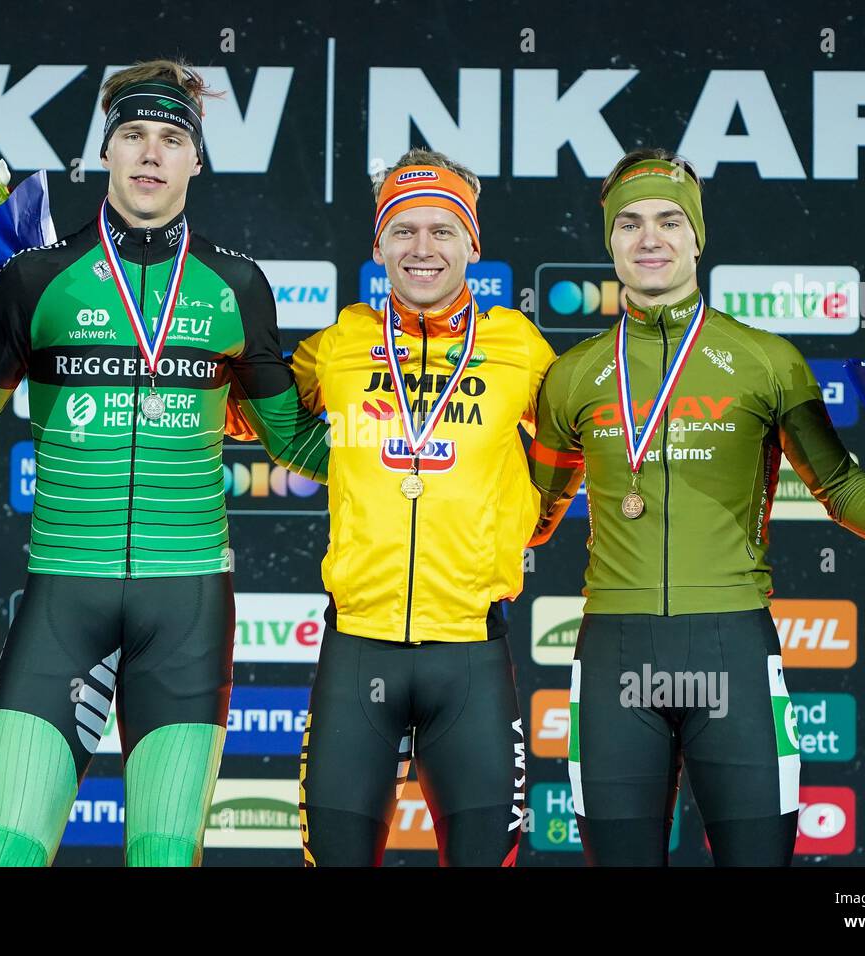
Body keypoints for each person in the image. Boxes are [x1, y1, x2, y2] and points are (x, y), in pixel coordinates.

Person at [0, 58, 331, 866]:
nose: (150, 153)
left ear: (196, 160)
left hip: (187, 607)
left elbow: (292, 439)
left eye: (169, 138)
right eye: (132, 136)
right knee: (7, 853)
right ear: (103, 157)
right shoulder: (36, 278)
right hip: (64, 599)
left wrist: (415, 446)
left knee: (164, 856)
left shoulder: (238, 287)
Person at [527, 147, 865, 866]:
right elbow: (531, 511)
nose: (650, 238)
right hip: (615, 648)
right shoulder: (572, 375)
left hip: (731, 648)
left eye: (670, 221)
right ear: (609, 239)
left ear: (698, 237)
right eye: (631, 223)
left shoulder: (768, 360)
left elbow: (837, 485)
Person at [272, 148, 557, 866]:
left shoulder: (518, 349)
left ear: (472, 244)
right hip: (356, 647)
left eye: (442, 230)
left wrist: (531, 519)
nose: (422, 249)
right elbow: (257, 414)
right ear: (378, 245)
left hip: (471, 655)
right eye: (403, 230)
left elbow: (576, 445)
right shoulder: (340, 345)